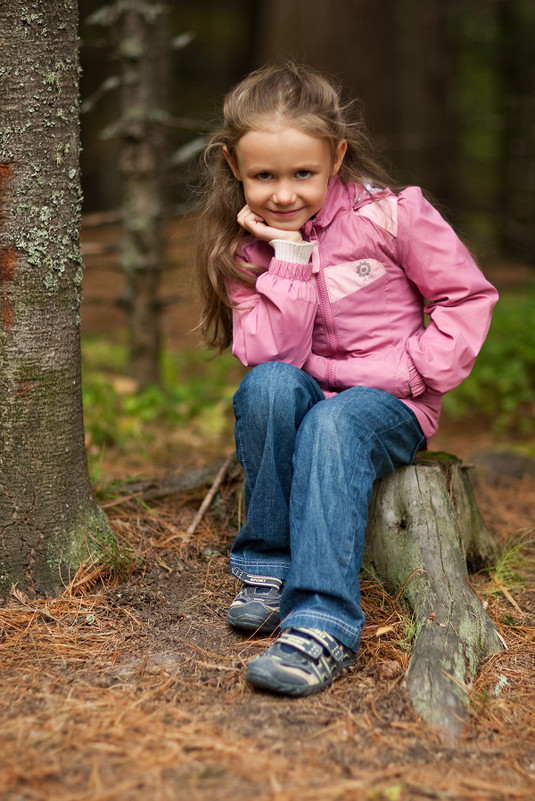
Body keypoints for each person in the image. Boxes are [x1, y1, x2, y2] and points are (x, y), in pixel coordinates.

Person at [195, 62, 498, 697]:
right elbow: (268, 354)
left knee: (336, 419)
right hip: (305, 390)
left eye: (303, 173)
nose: (283, 194)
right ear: (232, 166)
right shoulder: (244, 248)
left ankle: (323, 621)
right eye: (263, 176)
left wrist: (415, 369)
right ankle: (268, 565)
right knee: (271, 388)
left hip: (390, 403)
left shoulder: (392, 216)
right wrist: (291, 257)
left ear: (336, 156)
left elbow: (465, 299)